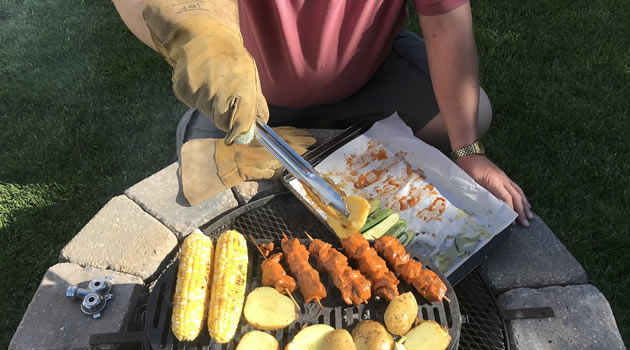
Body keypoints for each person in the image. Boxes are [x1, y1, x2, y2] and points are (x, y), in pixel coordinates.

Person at [112, 0, 533, 226]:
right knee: (199, 180)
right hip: (252, 93)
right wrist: (196, 35)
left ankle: (336, 132)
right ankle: (336, 136)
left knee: (473, 116)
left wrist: (468, 151)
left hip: (370, 76)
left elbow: (447, 24)